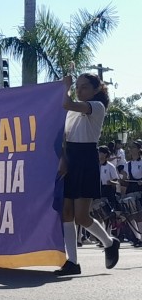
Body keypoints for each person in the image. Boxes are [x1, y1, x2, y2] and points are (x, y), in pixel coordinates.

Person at [56, 74, 119, 276]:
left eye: (84, 87)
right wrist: (64, 159)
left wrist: (64, 87)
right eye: (77, 86)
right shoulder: (72, 111)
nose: (79, 90)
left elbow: (66, 103)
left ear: (96, 89)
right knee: (66, 212)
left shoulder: (96, 106)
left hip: (86, 159)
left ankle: (110, 243)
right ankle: (72, 261)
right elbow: (65, 137)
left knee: (82, 216)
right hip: (71, 157)